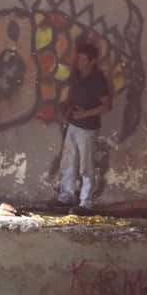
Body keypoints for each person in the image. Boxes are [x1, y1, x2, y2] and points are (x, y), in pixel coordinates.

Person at [57, 41, 112, 214]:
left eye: (83, 60)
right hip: (73, 125)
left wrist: (85, 114)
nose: (79, 62)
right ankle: (66, 197)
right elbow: (71, 97)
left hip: (87, 129)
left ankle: (85, 202)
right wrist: (68, 110)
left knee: (85, 166)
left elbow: (106, 106)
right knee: (68, 162)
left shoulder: (97, 80)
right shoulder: (76, 76)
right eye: (78, 59)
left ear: (92, 61)